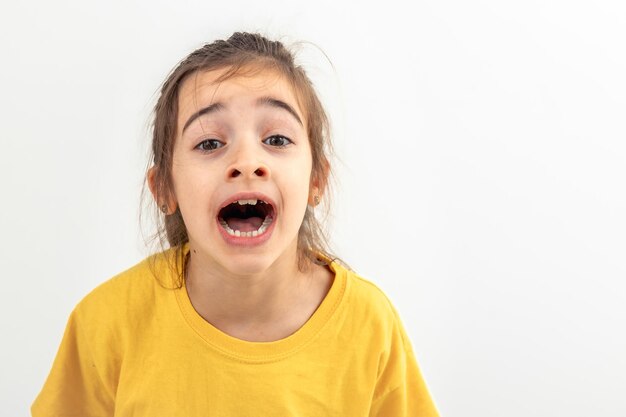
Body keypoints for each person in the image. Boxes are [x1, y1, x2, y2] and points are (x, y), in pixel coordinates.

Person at [31, 32, 439, 416]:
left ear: (317, 180)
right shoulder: (106, 322)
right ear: (164, 189)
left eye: (277, 139)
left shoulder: (370, 327)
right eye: (210, 143)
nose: (247, 161)